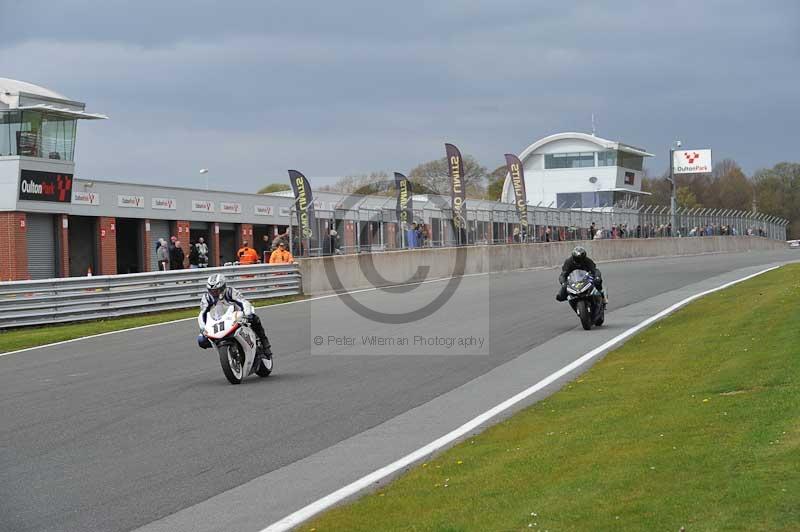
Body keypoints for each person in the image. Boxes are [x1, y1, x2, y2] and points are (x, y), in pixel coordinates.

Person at [196, 273, 272, 359]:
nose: (214, 293)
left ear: (223, 287)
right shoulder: (207, 298)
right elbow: (202, 314)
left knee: (254, 319)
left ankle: (265, 344)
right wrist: (203, 327)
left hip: (236, 317)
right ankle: (221, 347)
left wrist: (247, 314)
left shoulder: (231, 292)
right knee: (201, 341)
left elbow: (244, 302)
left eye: (217, 290)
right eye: (211, 291)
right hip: (218, 322)